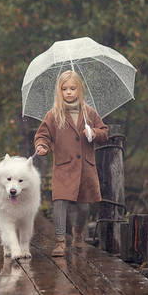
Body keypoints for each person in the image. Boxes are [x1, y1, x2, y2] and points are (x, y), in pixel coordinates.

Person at [34, 69, 109, 257]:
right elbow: (43, 135)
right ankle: (60, 241)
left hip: (85, 167)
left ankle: (78, 233)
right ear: (59, 91)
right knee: (60, 203)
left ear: (79, 89)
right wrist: (42, 146)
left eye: (72, 88)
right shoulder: (53, 115)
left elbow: (104, 132)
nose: (69, 92)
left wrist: (94, 133)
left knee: (84, 206)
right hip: (63, 166)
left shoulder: (89, 112)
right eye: (64, 89)